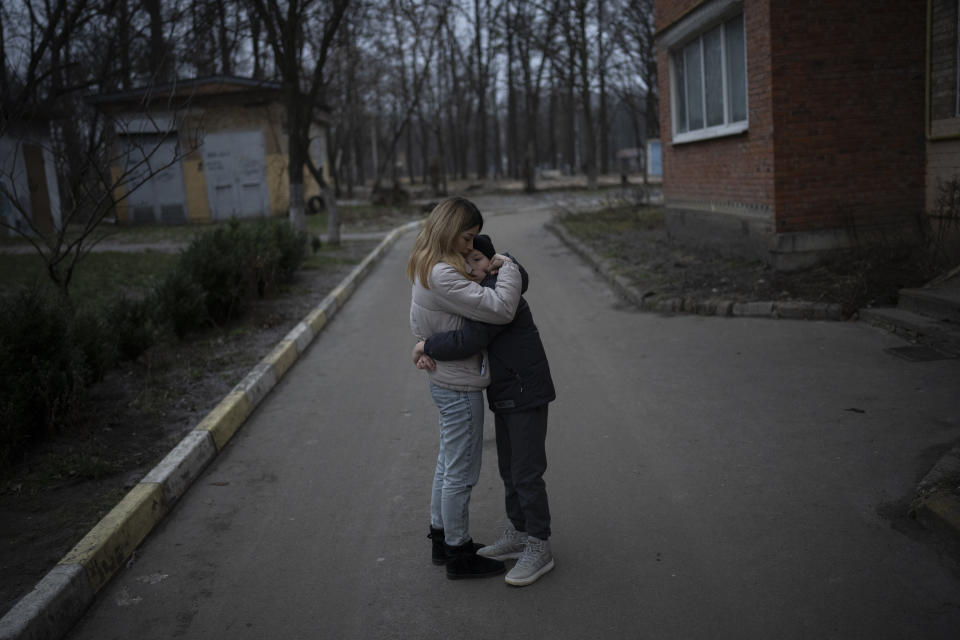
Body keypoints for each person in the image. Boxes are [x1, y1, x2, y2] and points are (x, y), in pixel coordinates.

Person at [413, 234, 556, 587]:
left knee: (526, 471)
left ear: (491, 261)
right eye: (466, 262)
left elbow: (472, 338)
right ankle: (519, 531)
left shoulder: (498, 297)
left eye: (477, 259)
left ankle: (539, 544)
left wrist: (425, 345)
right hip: (506, 392)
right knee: (509, 469)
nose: (470, 268)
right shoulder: (485, 295)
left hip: (524, 390)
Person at [406, 197, 524, 580]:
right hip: (460, 383)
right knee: (461, 470)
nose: (472, 247)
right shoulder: (444, 273)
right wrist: (508, 266)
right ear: (448, 230)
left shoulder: (427, 264)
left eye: (474, 239)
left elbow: (419, 322)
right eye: (467, 237)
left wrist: (424, 343)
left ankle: (442, 537)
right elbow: (501, 308)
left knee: (447, 462)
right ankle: (458, 553)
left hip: (446, 378)